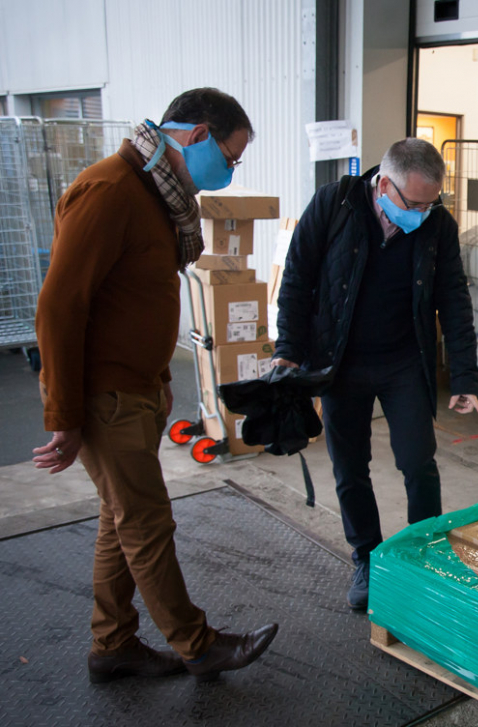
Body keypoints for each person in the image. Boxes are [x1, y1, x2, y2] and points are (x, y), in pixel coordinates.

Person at [33, 88, 279, 683]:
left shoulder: (156, 198)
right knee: (145, 521)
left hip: (136, 388)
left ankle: (113, 644)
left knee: (119, 521)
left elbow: (138, 301)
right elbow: (59, 309)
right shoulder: (110, 191)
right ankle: (198, 645)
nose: (230, 171)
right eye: (231, 156)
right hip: (103, 395)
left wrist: (161, 377)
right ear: (195, 136)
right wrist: (63, 415)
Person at [273, 138, 478, 611]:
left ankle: (423, 554)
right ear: (384, 184)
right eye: (415, 204)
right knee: (350, 469)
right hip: (339, 361)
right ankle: (366, 558)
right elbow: (297, 278)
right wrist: (288, 350)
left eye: (433, 204)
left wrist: (465, 377)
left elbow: (453, 298)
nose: (424, 213)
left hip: (403, 361)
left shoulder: (437, 225)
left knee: (417, 461)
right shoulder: (334, 203)